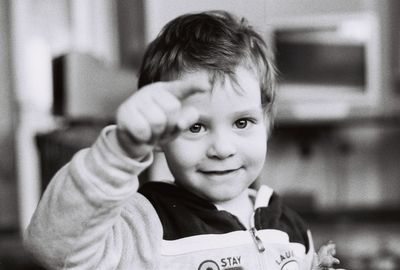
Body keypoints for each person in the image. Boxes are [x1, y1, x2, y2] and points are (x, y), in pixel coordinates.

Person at [25, 10, 343, 270]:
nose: (222, 148)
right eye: (195, 127)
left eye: (242, 122)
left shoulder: (289, 226)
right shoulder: (144, 224)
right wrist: (120, 151)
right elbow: (55, 249)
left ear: (267, 123)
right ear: (161, 136)